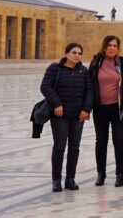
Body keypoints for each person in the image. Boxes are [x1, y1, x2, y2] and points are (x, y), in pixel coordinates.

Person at [41, 43, 93, 192]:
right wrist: (56, 103)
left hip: (78, 115)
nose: (77, 55)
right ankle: (56, 180)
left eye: (79, 53)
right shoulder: (55, 68)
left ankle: (70, 179)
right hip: (60, 115)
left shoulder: (84, 71)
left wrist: (86, 109)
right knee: (59, 147)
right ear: (66, 53)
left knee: (74, 148)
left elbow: (90, 91)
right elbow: (45, 86)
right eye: (74, 52)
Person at [89, 35, 123, 188]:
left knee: (119, 141)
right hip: (100, 108)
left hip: (118, 108)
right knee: (101, 141)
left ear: (118, 48)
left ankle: (119, 173)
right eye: (109, 45)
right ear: (104, 47)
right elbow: (90, 84)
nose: (111, 48)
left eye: (114, 45)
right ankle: (101, 173)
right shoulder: (96, 61)